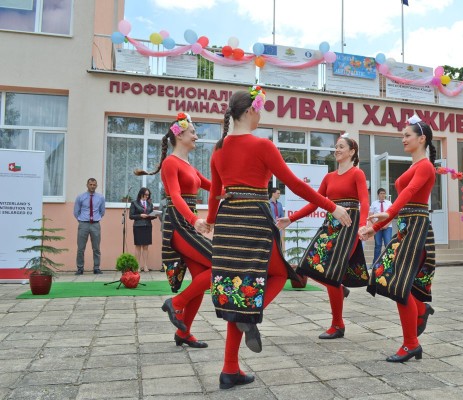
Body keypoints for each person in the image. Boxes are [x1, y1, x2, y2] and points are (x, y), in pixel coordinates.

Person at [200, 86, 351, 390]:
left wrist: (210, 222)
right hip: (254, 219)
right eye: (260, 111)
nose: (261, 116)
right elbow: (295, 184)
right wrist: (332, 206)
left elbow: (216, 193)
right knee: (280, 274)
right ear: (250, 111)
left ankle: (230, 368)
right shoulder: (262, 145)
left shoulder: (218, 149)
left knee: (236, 288)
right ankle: (251, 319)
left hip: (229, 221)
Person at [358, 115, 437, 363]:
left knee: (397, 283)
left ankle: (411, 343)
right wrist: (377, 227)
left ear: (421, 138)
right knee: (386, 275)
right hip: (406, 227)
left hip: (416, 228)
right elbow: (404, 203)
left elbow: (411, 193)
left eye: (407, 135)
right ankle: (421, 310)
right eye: (402, 135)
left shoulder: (425, 166)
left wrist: (389, 213)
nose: (403, 139)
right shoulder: (414, 167)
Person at [277, 133, 370, 340]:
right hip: (330, 225)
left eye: (341, 147)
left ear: (352, 152)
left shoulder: (357, 174)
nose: (336, 150)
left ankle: (338, 325)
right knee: (307, 264)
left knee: (331, 273)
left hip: (349, 226)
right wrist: (291, 219)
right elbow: (315, 202)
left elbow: (364, 201)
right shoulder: (329, 177)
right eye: (335, 147)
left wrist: (362, 226)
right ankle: (340, 291)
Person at [134, 112, 213, 349]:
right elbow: (175, 196)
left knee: (201, 278)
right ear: (180, 136)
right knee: (219, 264)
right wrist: (194, 218)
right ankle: (176, 302)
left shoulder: (189, 166)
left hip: (189, 224)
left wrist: (238, 190)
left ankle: (184, 334)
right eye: (193, 133)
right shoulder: (171, 163)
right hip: (179, 225)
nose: (196, 137)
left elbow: (213, 187)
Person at [73, 178, 105, 275]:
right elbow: (76, 212)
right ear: (87, 185)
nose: (92, 186)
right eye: (90, 184)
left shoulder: (100, 198)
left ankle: (96, 268)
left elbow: (102, 211)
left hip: (95, 224)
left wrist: (96, 218)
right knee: (81, 248)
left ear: (96, 186)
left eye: (94, 185)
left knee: (96, 248)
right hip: (83, 224)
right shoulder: (80, 197)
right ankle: (80, 268)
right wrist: (81, 220)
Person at [129, 187, 156, 272]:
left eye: (148, 195)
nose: (147, 196)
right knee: (138, 246)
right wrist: (140, 215)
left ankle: (145, 266)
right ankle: (137, 266)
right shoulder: (134, 203)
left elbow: (152, 215)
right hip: (138, 226)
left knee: (146, 246)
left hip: (147, 226)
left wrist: (153, 215)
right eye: (145, 194)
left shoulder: (150, 204)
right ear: (141, 194)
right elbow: (131, 216)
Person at [369, 188, 393, 264]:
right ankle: (375, 264)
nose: (383, 195)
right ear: (378, 195)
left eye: (384, 193)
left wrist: (387, 224)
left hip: (387, 227)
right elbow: (370, 215)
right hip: (377, 227)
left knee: (388, 244)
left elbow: (392, 215)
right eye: (381, 193)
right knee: (378, 245)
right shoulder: (374, 203)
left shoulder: (389, 203)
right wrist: (376, 225)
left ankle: (389, 263)